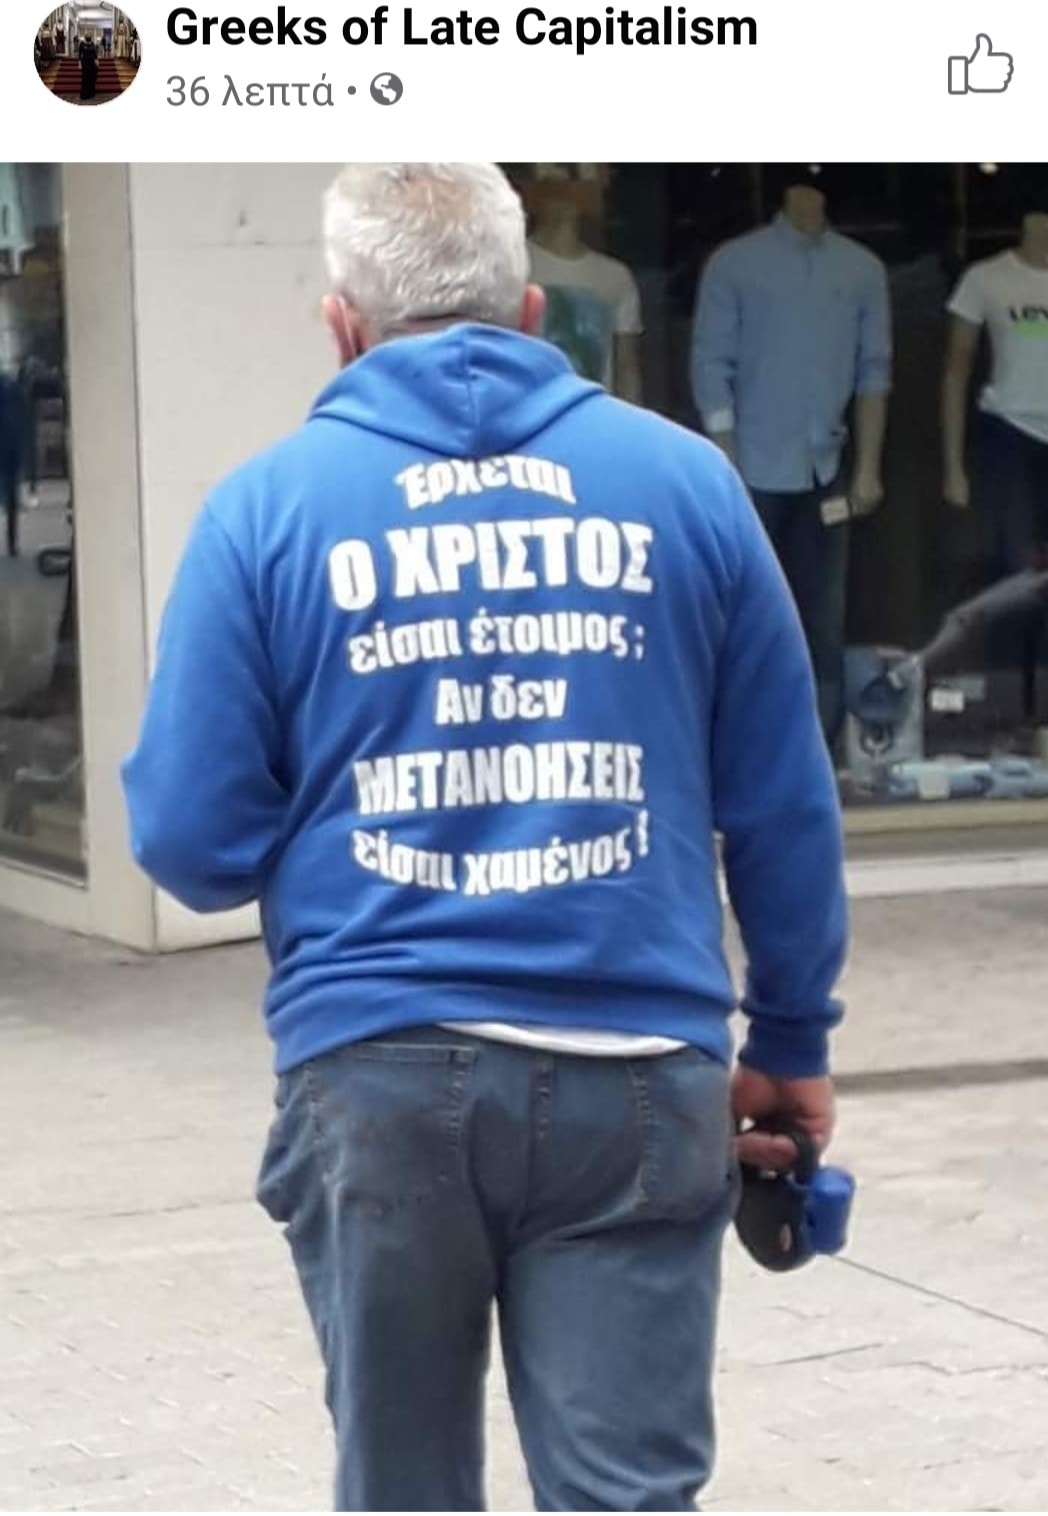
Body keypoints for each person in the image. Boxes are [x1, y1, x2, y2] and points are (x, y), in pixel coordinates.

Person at [123, 163, 847, 1514]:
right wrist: (793, 1039)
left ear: (342, 326)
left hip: (378, 1073)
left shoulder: (265, 512)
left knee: (403, 1491)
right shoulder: (688, 487)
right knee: (628, 1497)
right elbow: (784, 806)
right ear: (530, 311)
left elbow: (187, 841)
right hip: (641, 1072)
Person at [691, 181, 893, 752]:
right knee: (744, 614)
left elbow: (874, 370)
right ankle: (741, 745)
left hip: (826, 467)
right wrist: (726, 461)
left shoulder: (863, 269)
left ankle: (820, 746)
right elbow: (711, 364)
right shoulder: (735, 263)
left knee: (824, 617)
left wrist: (868, 466)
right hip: (751, 467)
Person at [943, 210, 1048, 722]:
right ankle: (1015, 709)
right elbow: (956, 370)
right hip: (1011, 434)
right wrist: (953, 465)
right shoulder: (985, 278)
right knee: (1016, 572)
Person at [524, 163, 644, 402]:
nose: (565, 190)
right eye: (554, 179)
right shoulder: (510, 265)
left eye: (575, 176)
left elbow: (626, 369)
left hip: (594, 414)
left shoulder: (615, 276)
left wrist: (631, 420)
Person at [0, 367, 25, 557]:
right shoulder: (12, 386)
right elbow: (20, 418)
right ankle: (12, 543)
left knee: (11, 497)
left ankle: (12, 542)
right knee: (11, 499)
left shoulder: (11, 387)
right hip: (9, 447)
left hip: (8, 447)